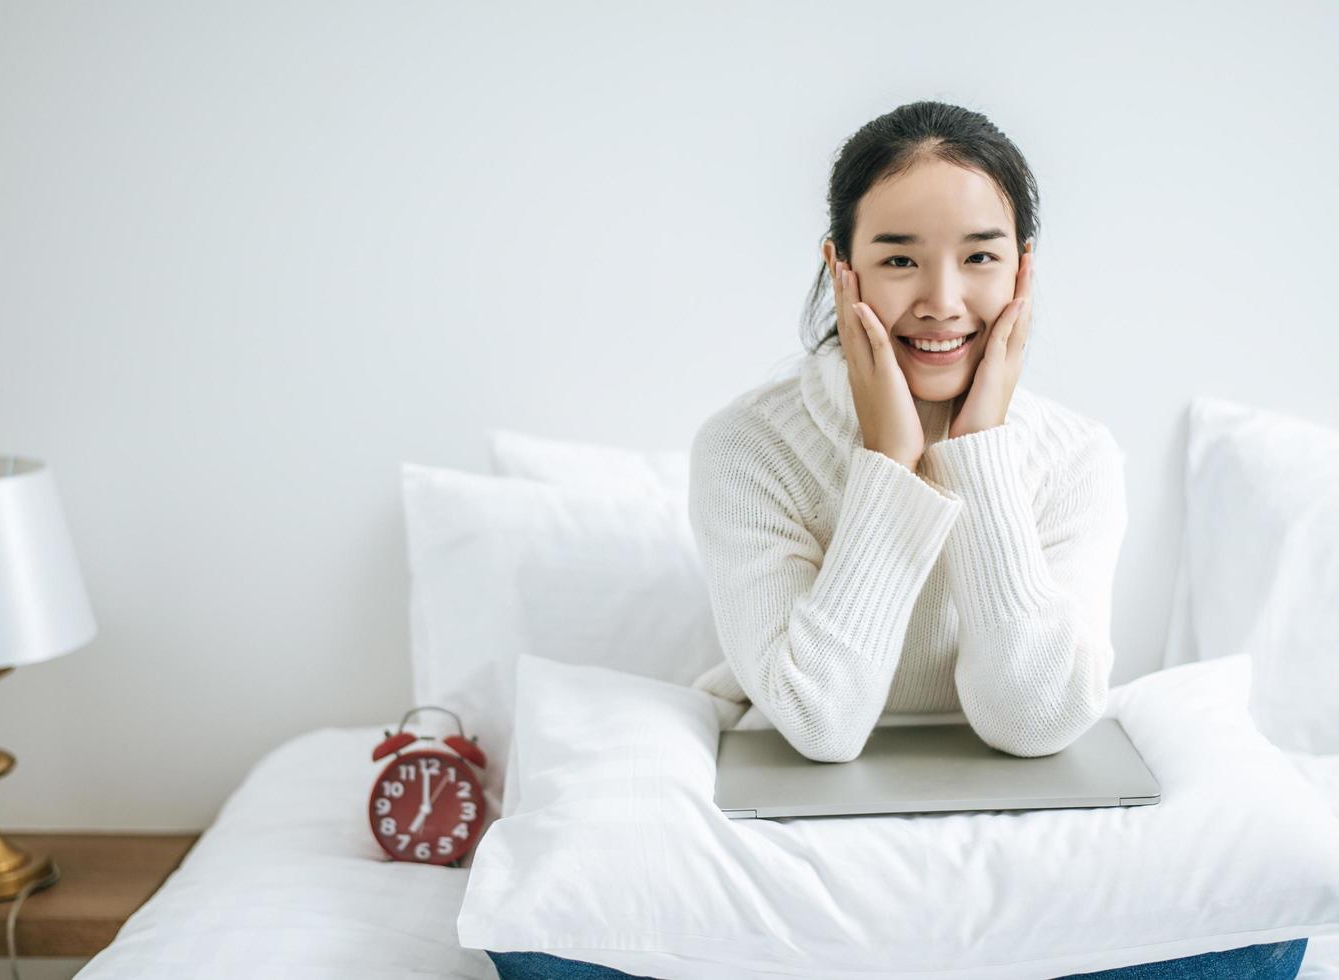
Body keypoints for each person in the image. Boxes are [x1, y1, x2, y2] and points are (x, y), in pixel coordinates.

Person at [487, 99, 1307, 980]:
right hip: (798, 807)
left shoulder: (1073, 457)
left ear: (1023, 271)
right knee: (552, 949)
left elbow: (1034, 722)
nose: (942, 302)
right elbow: (819, 722)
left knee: (1259, 939)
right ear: (840, 268)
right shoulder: (748, 447)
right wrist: (888, 461)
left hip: (1019, 813)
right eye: (899, 258)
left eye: (980, 257)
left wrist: (978, 459)